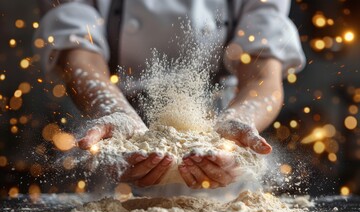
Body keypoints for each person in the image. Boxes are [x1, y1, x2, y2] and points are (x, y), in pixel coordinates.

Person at [35, 0, 305, 199]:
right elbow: (78, 53)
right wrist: (113, 109)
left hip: (220, 154)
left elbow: (263, 76)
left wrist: (240, 119)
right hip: (121, 151)